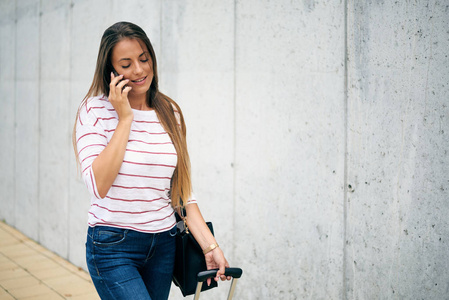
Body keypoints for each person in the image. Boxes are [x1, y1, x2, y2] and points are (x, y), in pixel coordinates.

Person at [73, 21, 230, 300]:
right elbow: (98, 186)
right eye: (126, 64)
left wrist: (211, 247)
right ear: (110, 71)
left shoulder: (169, 112)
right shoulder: (94, 111)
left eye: (144, 59)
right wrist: (124, 119)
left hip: (163, 247)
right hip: (113, 246)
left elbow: (182, 194)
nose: (139, 70)